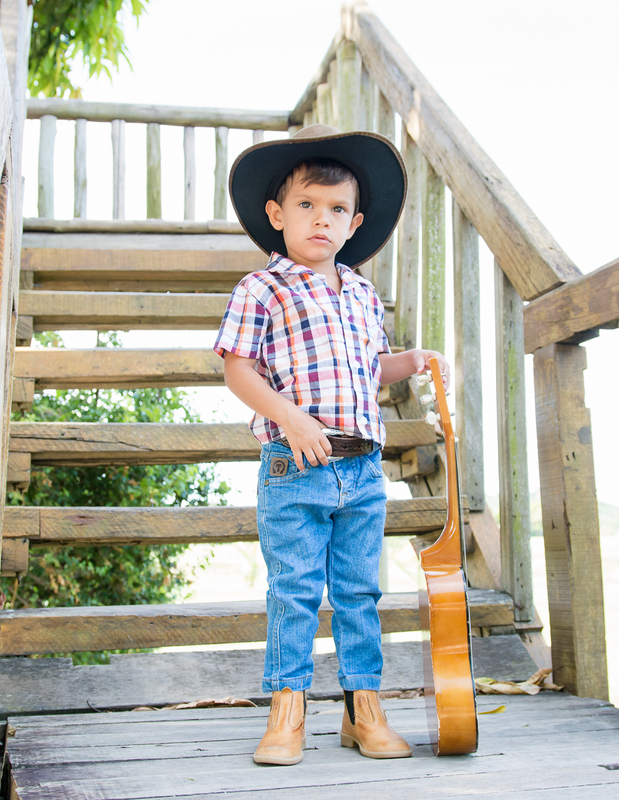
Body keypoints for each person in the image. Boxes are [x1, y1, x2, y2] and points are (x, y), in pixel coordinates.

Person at [213, 123, 450, 766]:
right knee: (294, 590)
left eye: (336, 209)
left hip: (363, 469)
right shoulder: (263, 289)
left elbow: (371, 368)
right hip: (297, 464)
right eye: (307, 206)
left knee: (357, 592)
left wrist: (415, 360)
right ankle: (287, 712)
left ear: (355, 222)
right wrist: (290, 419)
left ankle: (362, 709)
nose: (322, 220)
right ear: (277, 214)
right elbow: (238, 368)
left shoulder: (363, 294)